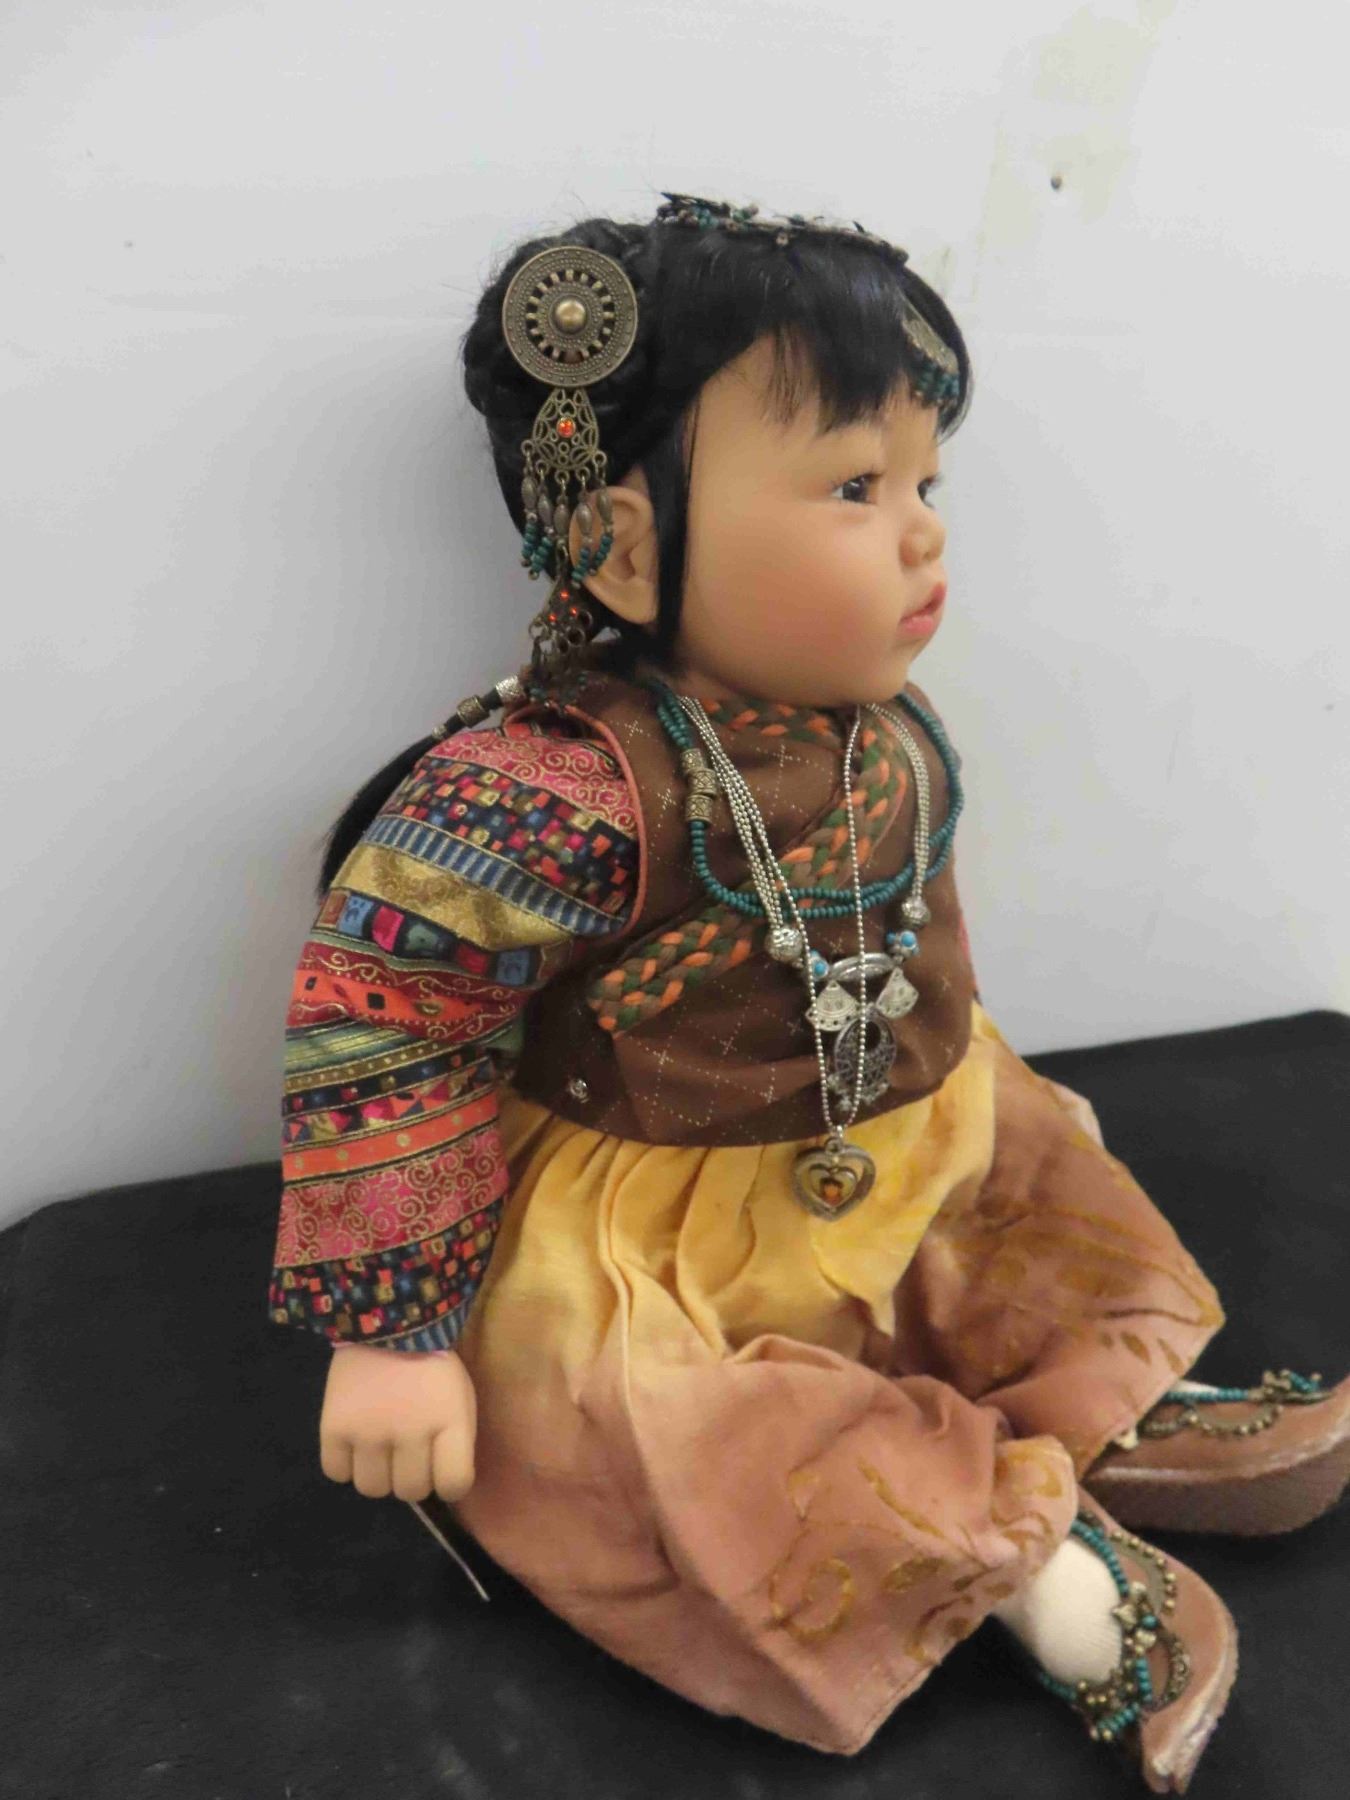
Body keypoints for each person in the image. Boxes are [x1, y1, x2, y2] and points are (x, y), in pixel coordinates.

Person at [267, 193, 1348, 1793]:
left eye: (924, 482)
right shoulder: (550, 787)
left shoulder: (885, 725)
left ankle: (1088, 1398)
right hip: (649, 1238)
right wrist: (394, 1329)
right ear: (619, 543)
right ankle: (1003, 1550)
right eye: (853, 486)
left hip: (900, 1145)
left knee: (1037, 1196)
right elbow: (386, 1021)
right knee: (657, 1431)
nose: (921, 534)